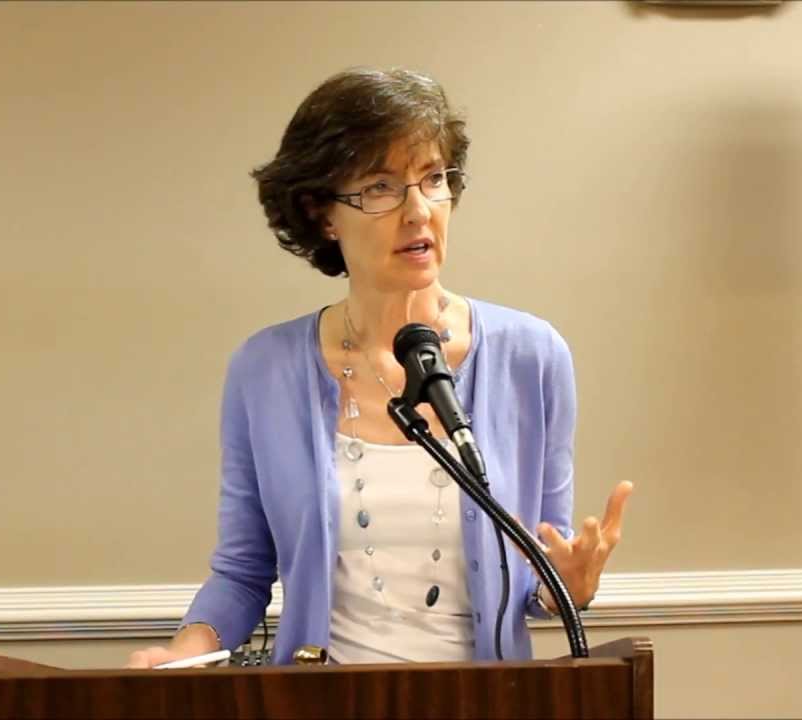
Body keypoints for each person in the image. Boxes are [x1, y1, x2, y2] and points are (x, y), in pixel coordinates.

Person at [128, 67, 631, 668]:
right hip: (321, 699)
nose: (419, 211)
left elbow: (540, 565)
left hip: (488, 703)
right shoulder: (264, 369)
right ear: (322, 213)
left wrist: (565, 587)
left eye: (433, 179)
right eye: (380, 187)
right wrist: (179, 656)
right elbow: (242, 571)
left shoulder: (532, 356)